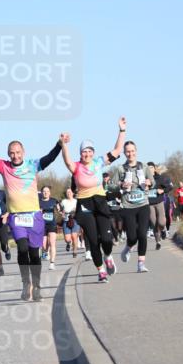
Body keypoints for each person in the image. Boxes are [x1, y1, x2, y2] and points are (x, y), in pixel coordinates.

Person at [0, 120, 64, 301]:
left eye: (18, 152)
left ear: (23, 152)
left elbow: (49, 158)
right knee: (22, 248)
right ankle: (26, 284)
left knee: (35, 254)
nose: (15, 156)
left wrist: (59, 145)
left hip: (34, 216)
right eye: (12, 153)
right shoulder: (4, 167)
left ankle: (37, 285)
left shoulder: (33, 165)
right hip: (17, 217)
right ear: (8, 154)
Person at [61, 117, 127, 283]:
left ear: (94, 152)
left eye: (90, 151)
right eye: (84, 151)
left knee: (106, 239)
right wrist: (64, 144)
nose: (87, 154)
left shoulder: (99, 162)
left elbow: (118, 150)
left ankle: (108, 257)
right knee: (93, 239)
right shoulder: (76, 166)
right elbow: (67, 160)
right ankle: (101, 271)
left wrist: (122, 130)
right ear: (80, 153)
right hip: (84, 204)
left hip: (100, 201)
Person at [111, 143, 155, 272]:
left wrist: (149, 182)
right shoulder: (120, 169)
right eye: (128, 152)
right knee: (132, 236)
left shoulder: (144, 167)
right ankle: (128, 247)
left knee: (142, 234)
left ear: (136, 151)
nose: (130, 154)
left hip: (143, 204)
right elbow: (110, 186)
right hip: (128, 206)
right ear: (124, 153)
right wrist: (120, 184)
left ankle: (141, 263)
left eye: (132, 151)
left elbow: (153, 182)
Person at [38, 185, 59, 270]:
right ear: (41, 193)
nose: (45, 192)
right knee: (44, 244)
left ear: (49, 193)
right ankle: (46, 251)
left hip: (52, 224)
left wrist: (61, 211)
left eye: (47, 191)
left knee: (52, 243)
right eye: (44, 191)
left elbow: (59, 209)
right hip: (42, 225)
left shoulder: (54, 201)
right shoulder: (38, 202)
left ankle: (52, 263)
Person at [60, 187, 80, 258]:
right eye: (67, 192)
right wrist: (62, 214)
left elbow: (79, 210)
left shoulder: (76, 201)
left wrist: (75, 211)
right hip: (66, 220)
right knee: (67, 239)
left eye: (70, 192)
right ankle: (68, 243)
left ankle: (74, 251)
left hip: (74, 220)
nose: (69, 193)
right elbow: (61, 210)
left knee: (74, 236)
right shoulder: (63, 201)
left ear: (73, 193)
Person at [104, 174, 124, 243]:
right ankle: (116, 238)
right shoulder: (106, 193)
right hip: (110, 210)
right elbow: (104, 201)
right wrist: (106, 203)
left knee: (119, 225)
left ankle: (120, 234)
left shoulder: (117, 192)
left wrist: (119, 200)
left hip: (118, 209)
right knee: (113, 225)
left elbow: (122, 199)